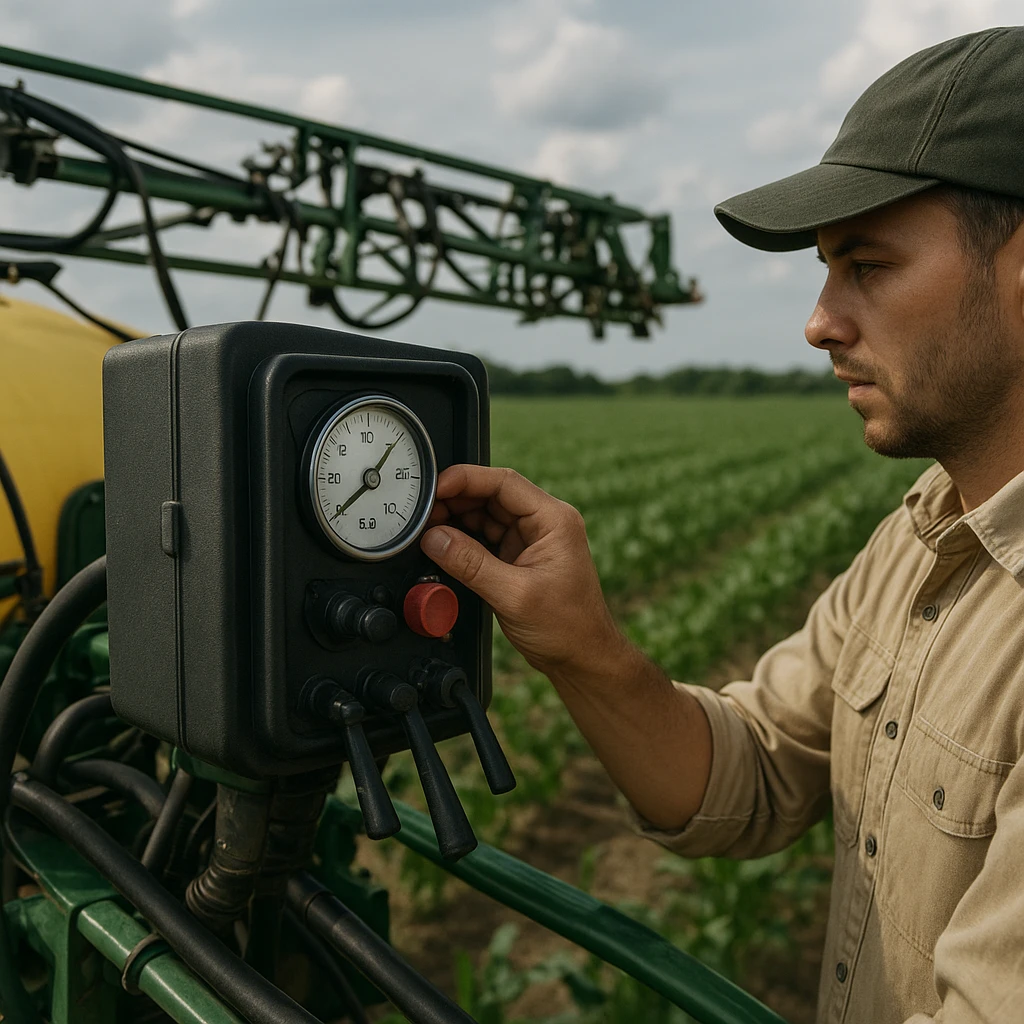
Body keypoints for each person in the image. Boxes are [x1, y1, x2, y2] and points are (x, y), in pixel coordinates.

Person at [420, 26, 1024, 1024]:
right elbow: (753, 774)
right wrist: (578, 644)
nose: (819, 319)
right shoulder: (919, 538)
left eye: (866, 265)